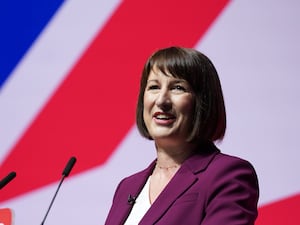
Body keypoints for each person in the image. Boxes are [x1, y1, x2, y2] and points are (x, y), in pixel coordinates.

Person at [104, 46, 259, 225]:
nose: (161, 100)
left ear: (203, 102)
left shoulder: (228, 175)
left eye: (177, 88)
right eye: (154, 87)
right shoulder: (127, 187)